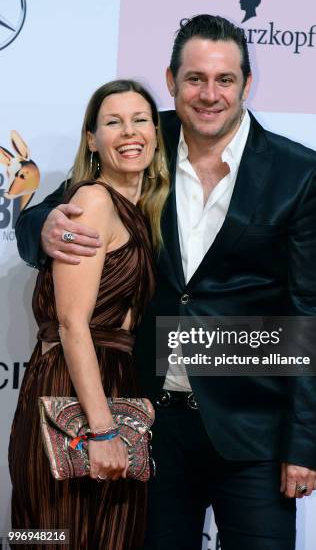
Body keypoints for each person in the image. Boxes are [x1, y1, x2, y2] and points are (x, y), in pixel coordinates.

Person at [15, 15, 316, 550]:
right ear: (171, 81)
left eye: (225, 80)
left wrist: (305, 444)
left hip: (253, 433)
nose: (209, 95)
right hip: (146, 424)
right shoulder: (140, 136)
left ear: (247, 84)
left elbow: (312, 316)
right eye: (195, 79)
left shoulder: (298, 172)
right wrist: (41, 227)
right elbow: (49, 218)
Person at [9, 79, 169, 549]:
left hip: (118, 385)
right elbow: (72, 324)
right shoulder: (93, 201)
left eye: (140, 119)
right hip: (73, 393)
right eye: (113, 122)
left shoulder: (147, 206)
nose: (129, 132)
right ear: (91, 139)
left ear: (157, 133)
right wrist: (102, 430)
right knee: (58, 536)